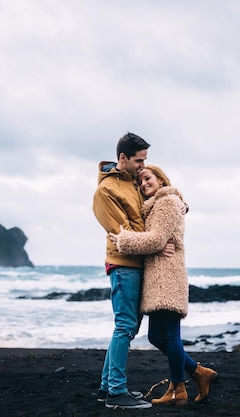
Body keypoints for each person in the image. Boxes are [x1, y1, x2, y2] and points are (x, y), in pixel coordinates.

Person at [109, 165, 219, 406]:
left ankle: (178, 388)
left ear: (160, 179)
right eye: (140, 182)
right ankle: (199, 373)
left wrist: (123, 240)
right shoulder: (160, 205)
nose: (143, 184)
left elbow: (157, 238)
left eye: (147, 178)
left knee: (168, 336)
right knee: (158, 336)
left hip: (167, 278)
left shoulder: (167, 202)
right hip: (159, 279)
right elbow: (159, 239)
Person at [92, 132, 164, 409]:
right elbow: (122, 235)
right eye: (138, 160)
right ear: (122, 158)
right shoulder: (105, 191)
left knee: (128, 327)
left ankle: (106, 387)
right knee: (124, 326)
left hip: (136, 264)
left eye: (145, 159)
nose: (143, 165)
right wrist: (158, 245)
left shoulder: (134, 181)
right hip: (123, 265)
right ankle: (116, 392)